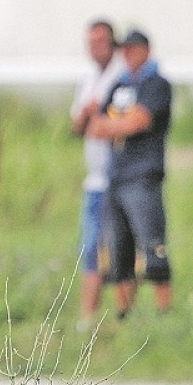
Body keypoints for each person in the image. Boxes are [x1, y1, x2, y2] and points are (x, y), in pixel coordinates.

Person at [87, 29, 173, 318]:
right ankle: (123, 313)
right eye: (124, 49)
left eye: (133, 49)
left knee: (153, 245)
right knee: (117, 250)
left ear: (146, 50)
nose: (127, 54)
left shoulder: (156, 84)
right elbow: (96, 126)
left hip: (143, 177)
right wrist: (123, 123)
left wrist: (118, 124)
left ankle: (164, 312)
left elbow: (140, 121)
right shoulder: (119, 85)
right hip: (116, 177)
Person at [69, 19, 123, 330]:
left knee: (119, 247)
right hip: (95, 179)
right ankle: (88, 318)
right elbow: (78, 126)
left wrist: (98, 120)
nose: (95, 48)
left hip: (119, 178)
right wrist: (87, 115)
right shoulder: (89, 78)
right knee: (90, 248)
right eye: (91, 42)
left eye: (101, 41)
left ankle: (121, 314)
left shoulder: (122, 76)